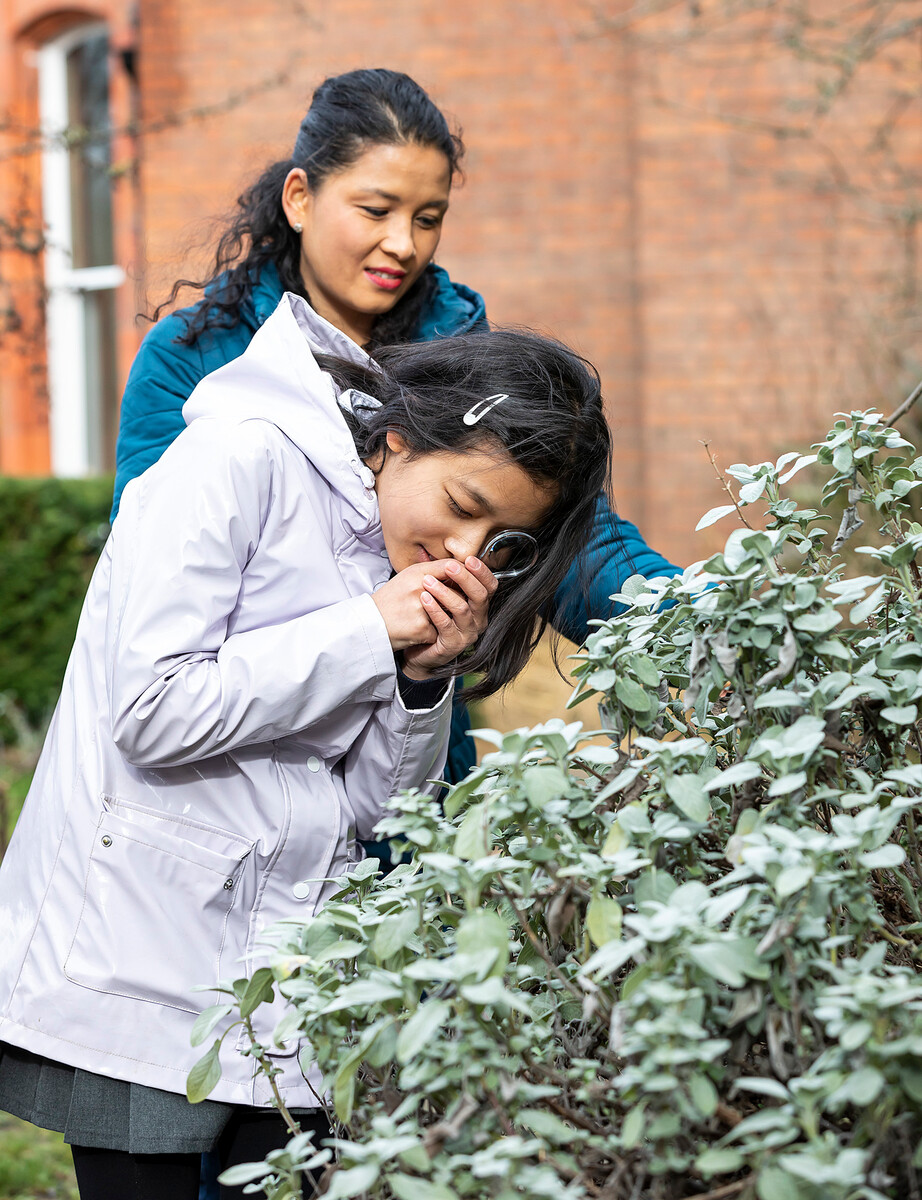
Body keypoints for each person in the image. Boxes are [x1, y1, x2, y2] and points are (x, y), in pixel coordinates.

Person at [0, 303, 613, 1199]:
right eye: (463, 507)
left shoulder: (394, 546)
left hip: (284, 977)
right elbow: (151, 708)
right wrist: (366, 631)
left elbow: (375, 812)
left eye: (501, 543)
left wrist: (417, 681)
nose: (465, 554)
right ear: (398, 436)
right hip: (141, 944)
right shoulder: (237, 458)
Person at [111, 67, 680, 790]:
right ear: (299, 198)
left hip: (412, 748)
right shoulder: (192, 360)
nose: (404, 244)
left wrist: (696, 623)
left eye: (427, 217)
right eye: (376, 209)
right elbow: (151, 578)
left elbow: (577, 543)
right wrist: (368, 625)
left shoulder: (462, 354)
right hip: (244, 765)